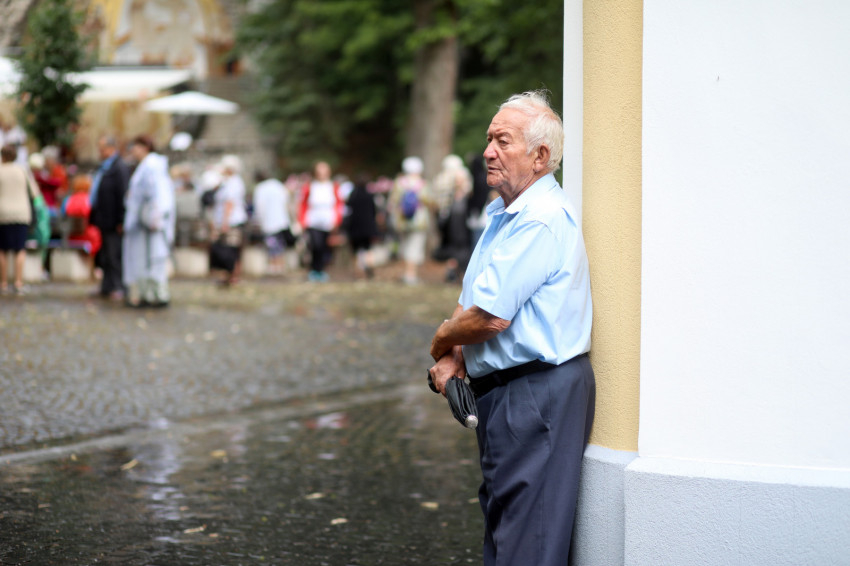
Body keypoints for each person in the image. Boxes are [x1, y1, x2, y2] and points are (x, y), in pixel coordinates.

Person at [428, 91, 595, 566]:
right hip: (513, 392)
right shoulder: (506, 214)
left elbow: (488, 318)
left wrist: (441, 341)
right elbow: (474, 298)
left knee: (527, 541)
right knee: (509, 531)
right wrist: (455, 356)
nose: (488, 151)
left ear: (540, 156)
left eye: (502, 141)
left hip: (535, 392)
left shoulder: (539, 219)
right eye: (489, 139)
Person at [123, 135, 175, 307]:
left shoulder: (152, 166)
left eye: (136, 146)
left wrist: (155, 218)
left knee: (154, 259)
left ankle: (157, 295)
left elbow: (159, 195)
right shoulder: (146, 166)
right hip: (143, 223)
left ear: (145, 147)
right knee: (145, 260)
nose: (133, 150)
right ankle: (148, 295)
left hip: (151, 223)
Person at [89, 134, 130, 300]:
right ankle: (107, 286)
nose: (100, 151)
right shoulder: (105, 167)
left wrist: (121, 219)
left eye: (102, 148)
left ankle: (118, 286)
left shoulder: (119, 167)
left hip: (113, 220)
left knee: (114, 255)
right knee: (105, 255)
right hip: (104, 218)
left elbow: (122, 194)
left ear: (112, 148)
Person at [0, 144, 41, 295]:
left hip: (2, 214)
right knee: (20, 249)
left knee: (2, 250)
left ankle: (3, 283)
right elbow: (35, 193)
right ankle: (18, 282)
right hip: (21, 214)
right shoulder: (22, 171)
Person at [298, 161, 343, 282]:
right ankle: (314, 269)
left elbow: (339, 205)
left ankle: (322, 270)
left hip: (328, 222)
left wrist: (337, 220)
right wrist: (302, 221)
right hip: (313, 221)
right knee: (315, 245)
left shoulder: (333, 187)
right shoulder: (310, 186)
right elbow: (303, 204)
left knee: (325, 247)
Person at [432, 154, 473, 282]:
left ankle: (458, 272)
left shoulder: (440, 180)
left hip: (457, 222)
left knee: (459, 248)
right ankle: (454, 271)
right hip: (454, 222)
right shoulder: (451, 188)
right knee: (456, 247)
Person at [390, 156, 430, 284]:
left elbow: (393, 201)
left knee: (405, 246)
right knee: (415, 247)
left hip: (402, 220)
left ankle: (407, 273)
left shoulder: (399, 183)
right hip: (419, 221)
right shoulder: (422, 184)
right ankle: (411, 275)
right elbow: (429, 200)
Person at [211, 155, 248, 286]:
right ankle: (228, 275)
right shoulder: (228, 182)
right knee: (227, 249)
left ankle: (233, 276)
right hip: (228, 220)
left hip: (232, 221)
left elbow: (229, 204)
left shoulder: (233, 183)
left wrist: (225, 223)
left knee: (231, 249)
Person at [252, 170, 294, 274]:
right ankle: (280, 266)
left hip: (269, 222)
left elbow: (259, 207)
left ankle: (274, 266)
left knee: (272, 245)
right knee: (280, 245)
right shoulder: (277, 184)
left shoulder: (260, 188)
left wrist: (258, 221)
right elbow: (286, 200)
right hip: (282, 221)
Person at [344, 173, 378, 279]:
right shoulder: (369, 195)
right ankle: (369, 265)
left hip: (355, 227)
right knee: (367, 248)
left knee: (354, 250)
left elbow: (347, 208)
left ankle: (357, 272)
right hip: (368, 227)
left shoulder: (353, 195)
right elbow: (374, 211)